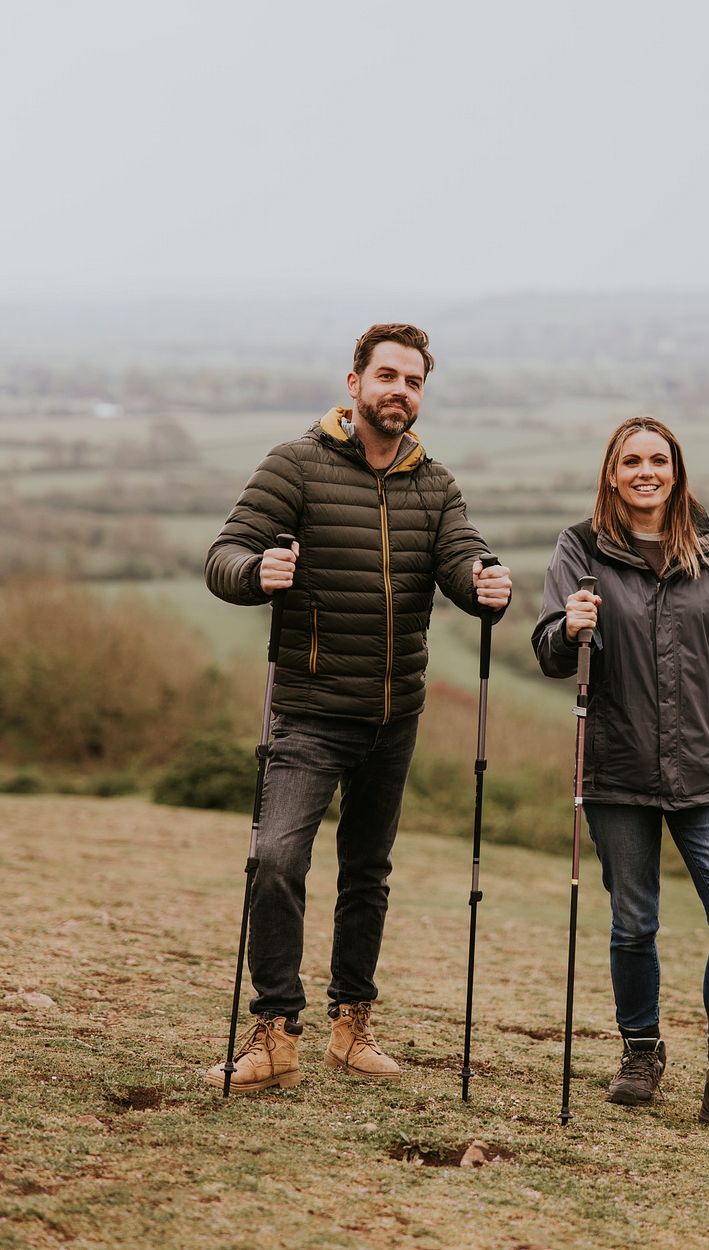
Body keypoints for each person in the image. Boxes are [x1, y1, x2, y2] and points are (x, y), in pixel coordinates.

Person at [204, 323, 511, 1094]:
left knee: (367, 873)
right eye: (387, 377)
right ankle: (274, 1032)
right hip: (309, 711)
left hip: (394, 714)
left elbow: (460, 557)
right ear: (354, 383)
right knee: (276, 860)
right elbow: (223, 556)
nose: (400, 391)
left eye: (413, 381)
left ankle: (352, 1025)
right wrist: (257, 572)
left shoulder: (433, 484)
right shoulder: (295, 466)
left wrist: (484, 583)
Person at [532, 415, 709, 1141]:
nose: (646, 472)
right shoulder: (579, 550)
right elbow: (549, 653)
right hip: (617, 769)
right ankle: (640, 1051)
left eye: (659, 460)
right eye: (631, 461)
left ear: (676, 470)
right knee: (633, 921)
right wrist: (569, 626)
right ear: (611, 473)